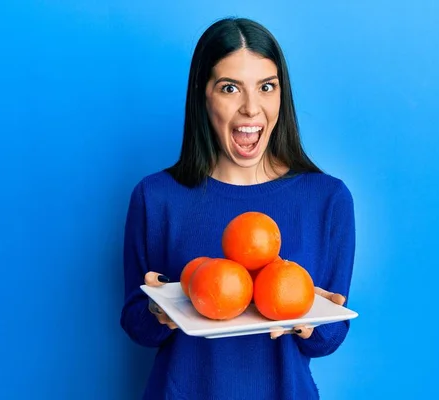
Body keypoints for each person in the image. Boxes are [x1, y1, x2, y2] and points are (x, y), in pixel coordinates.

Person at [120, 16, 356, 400]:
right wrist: (157, 311)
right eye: (230, 88)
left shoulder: (328, 200)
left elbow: (330, 338)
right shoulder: (155, 197)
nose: (251, 108)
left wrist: (312, 320)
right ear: (202, 93)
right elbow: (135, 324)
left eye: (266, 87)